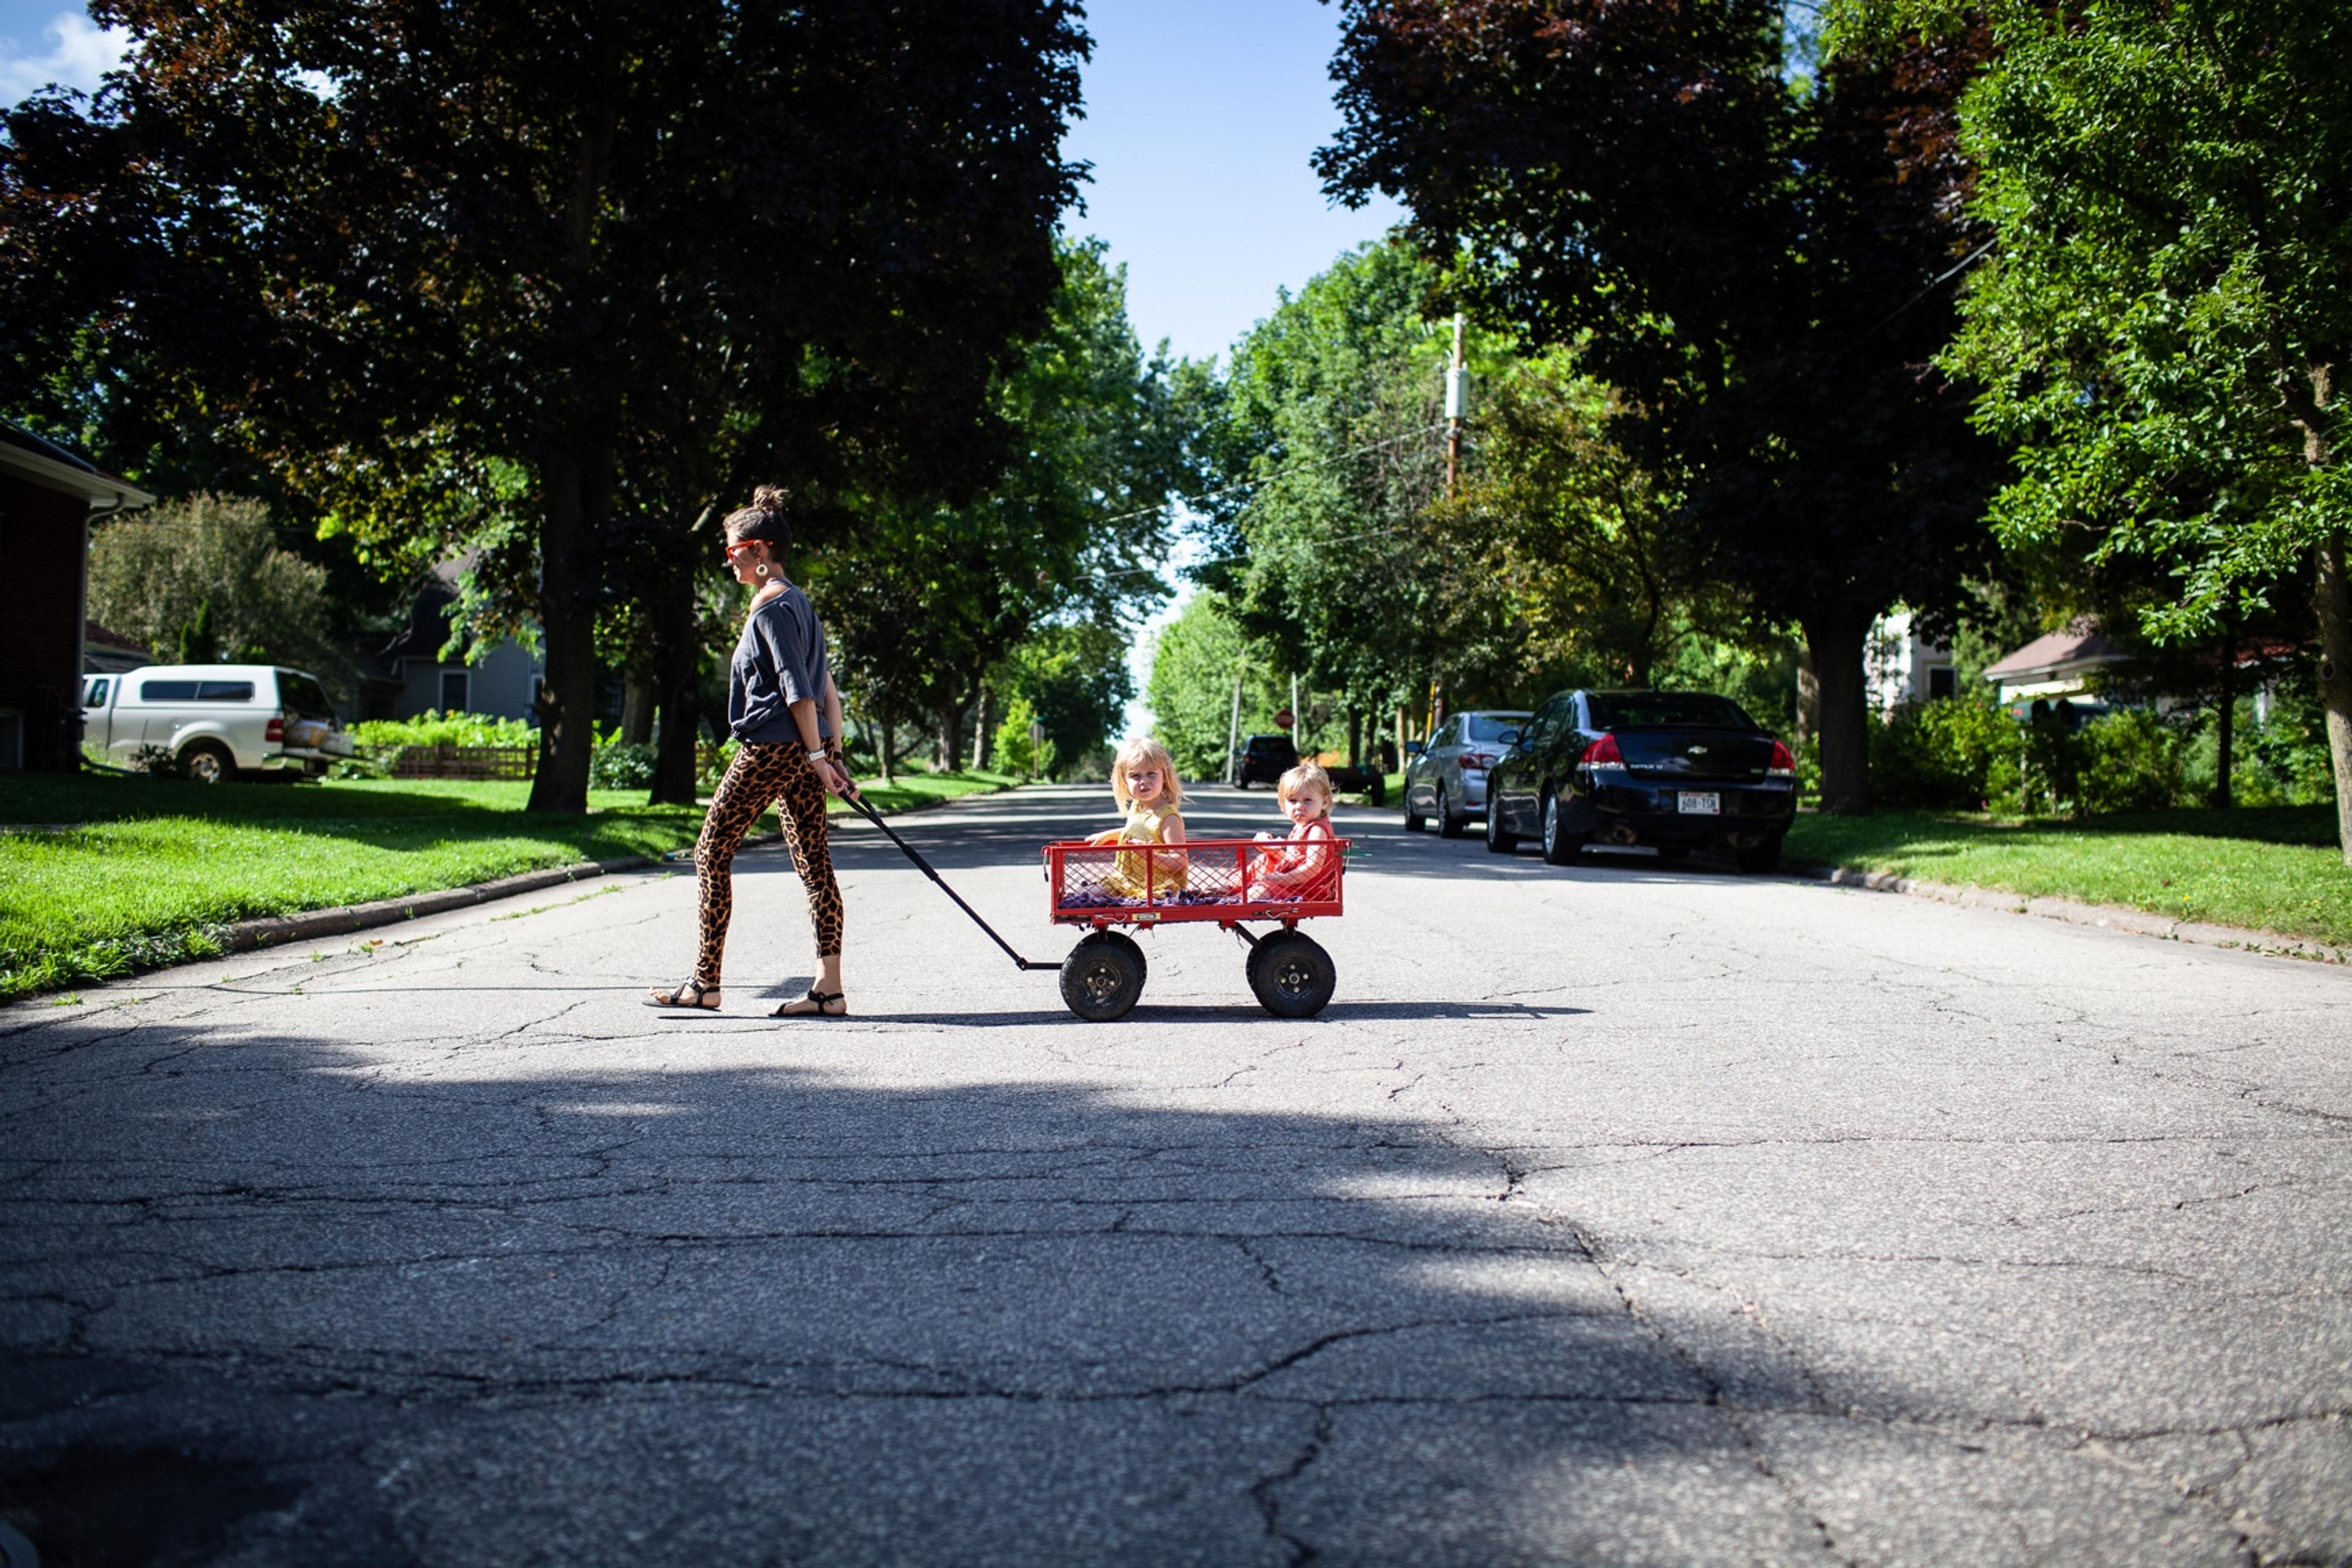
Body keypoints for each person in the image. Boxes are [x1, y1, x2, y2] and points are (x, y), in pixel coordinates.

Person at [647, 486, 856, 1018]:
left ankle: (704, 983)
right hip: (806, 746)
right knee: (815, 864)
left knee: (710, 852)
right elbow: (827, 686)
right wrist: (831, 752)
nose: (730, 561)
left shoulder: (770, 608)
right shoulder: (801, 602)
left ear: (761, 552)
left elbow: (799, 690)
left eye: (734, 551)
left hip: (772, 747)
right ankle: (828, 989)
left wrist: (816, 757)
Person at [1084, 736, 1188, 900]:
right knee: (1083, 893)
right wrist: (1110, 835)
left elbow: (1180, 861)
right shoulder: (1137, 807)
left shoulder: (1169, 818)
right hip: (1128, 880)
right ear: (1124, 781)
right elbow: (1138, 832)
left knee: (1089, 896)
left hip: (1157, 886)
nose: (1144, 781)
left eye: (1151, 774)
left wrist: (1149, 855)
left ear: (1165, 776)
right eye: (1135, 776)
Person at [1248, 762, 1339, 902]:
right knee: (1264, 860)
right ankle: (1231, 888)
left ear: (1325, 802)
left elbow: (1313, 867)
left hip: (1309, 890)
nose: (1299, 807)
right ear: (1283, 805)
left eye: (1308, 800)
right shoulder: (1299, 827)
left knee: (1264, 888)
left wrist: (1282, 879)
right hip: (1295, 885)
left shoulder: (1317, 830)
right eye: (1293, 801)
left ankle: (1235, 901)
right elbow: (1292, 860)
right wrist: (1271, 850)